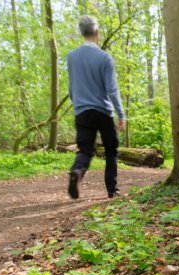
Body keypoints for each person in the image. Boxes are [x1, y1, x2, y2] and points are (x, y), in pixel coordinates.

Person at [66, 15, 127, 199]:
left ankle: (77, 172)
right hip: (103, 111)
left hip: (82, 112)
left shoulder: (71, 57)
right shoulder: (104, 58)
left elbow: (71, 87)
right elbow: (112, 90)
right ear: (97, 33)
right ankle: (112, 190)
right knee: (111, 151)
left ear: (81, 32)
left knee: (85, 150)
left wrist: (77, 103)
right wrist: (121, 115)